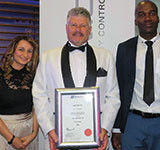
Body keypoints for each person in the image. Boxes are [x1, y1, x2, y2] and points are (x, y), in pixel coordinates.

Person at [32, 7, 120, 150]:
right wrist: (49, 130)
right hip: (58, 136)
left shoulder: (106, 56)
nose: (78, 29)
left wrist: (105, 129)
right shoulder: (47, 57)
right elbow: (39, 95)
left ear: (90, 29)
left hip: (96, 136)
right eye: (73, 25)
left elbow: (113, 96)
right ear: (66, 28)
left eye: (82, 25)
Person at [111, 1, 160, 150]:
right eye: (141, 14)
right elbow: (118, 88)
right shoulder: (124, 48)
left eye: (152, 13)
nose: (147, 18)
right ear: (135, 21)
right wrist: (117, 128)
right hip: (133, 123)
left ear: (158, 18)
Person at [0, 36, 39, 150]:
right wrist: (11, 139)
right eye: (21, 49)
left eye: (29, 51)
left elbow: (36, 106)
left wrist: (33, 133)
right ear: (13, 51)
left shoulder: (34, 77)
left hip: (28, 135)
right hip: (4, 134)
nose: (25, 54)